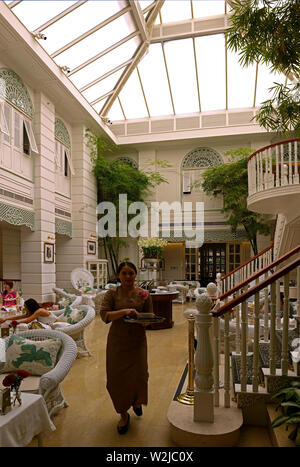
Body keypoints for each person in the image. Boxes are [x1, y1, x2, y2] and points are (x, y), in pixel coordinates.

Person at [100, 261, 153, 435]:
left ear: (136, 275)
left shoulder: (143, 294)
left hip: (137, 342)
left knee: (140, 375)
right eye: (124, 273)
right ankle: (123, 414)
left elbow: (149, 316)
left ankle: (136, 401)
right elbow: (105, 315)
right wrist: (125, 312)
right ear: (118, 275)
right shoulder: (112, 293)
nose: (128, 277)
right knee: (116, 379)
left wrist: (145, 321)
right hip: (117, 342)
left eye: (131, 273)